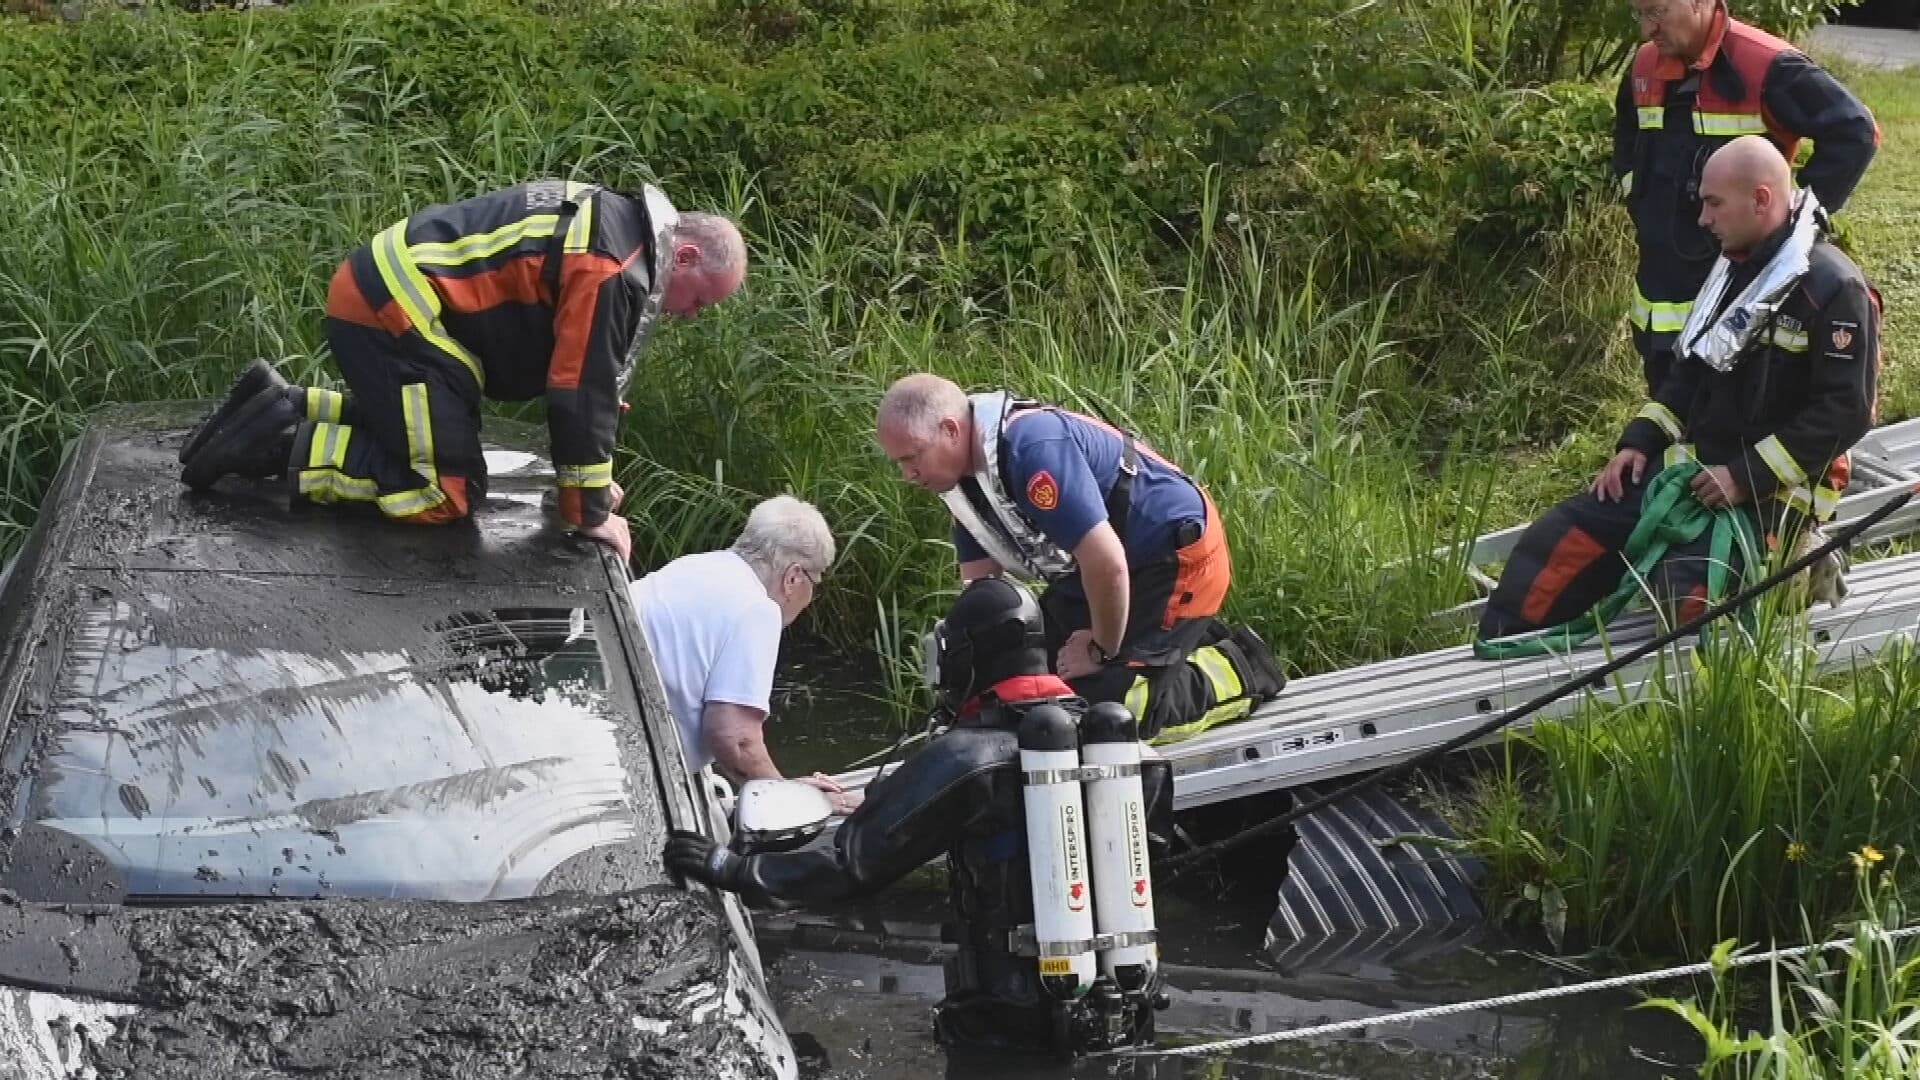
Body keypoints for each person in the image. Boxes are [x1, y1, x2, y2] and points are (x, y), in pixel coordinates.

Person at [664, 576, 1172, 1055]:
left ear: (967, 658)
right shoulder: (1130, 757)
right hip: (1126, 1006)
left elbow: (851, 863)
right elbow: (1150, 859)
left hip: (1005, 1024)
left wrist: (734, 871)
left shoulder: (965, 759)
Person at [178, 178, 748, 564]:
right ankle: (281, 445)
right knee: (443, 491)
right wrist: (589, 513)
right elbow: (578, 392)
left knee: (435, 437)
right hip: (397, 312)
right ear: (688, 257)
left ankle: (288, 403)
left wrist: (588, 484)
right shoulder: (614, 268)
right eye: (700, 301)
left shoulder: (613, 222)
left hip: (394, 296)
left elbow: (587, 385)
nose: (691, 315)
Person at [1478, 136, 1878, 650]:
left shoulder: (1834, 289)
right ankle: (1501, 653)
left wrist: (1743, 477)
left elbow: (1846, 412)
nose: (1702, 219)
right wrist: (1638, 443)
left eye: (1714, 203)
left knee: (1686, 594)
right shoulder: (1733, 268)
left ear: (1760, 199)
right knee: (1562, 540)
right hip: (1695, 475)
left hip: (1775, 494)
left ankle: (1804, 562)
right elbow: (1688, 374)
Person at [872, 373, 1285, 743]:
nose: (907, 474)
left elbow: (1108, 562)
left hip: (1174, 559)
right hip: (1094, 573)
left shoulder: (1032, 449)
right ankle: (1161, 649)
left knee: (1112, 718)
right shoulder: (960, 482)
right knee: (1024, 688)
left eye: (912, 457)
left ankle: (1239, 667)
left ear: (949, 430)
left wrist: (1100, 650)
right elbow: (984, 595)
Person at [1615, 0, 1877, 395]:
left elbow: (1855, 132)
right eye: (1639, 14)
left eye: (1657, 11)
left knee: (1738, 411)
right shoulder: (1644, 67)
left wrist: (1796, 225)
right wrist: (1638, 196)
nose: (1646, 29)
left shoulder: (1767, 65)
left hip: (1741, 290)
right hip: (1661, 288)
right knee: (1668, 409)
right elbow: (1628, 138)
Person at [629, 495, 858, 814]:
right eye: (815, 581)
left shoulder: (697, 566)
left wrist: (779, 785)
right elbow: (735, 740)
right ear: (793, 578)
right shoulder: (756, 608)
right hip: (631, 775)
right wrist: (794, 801)